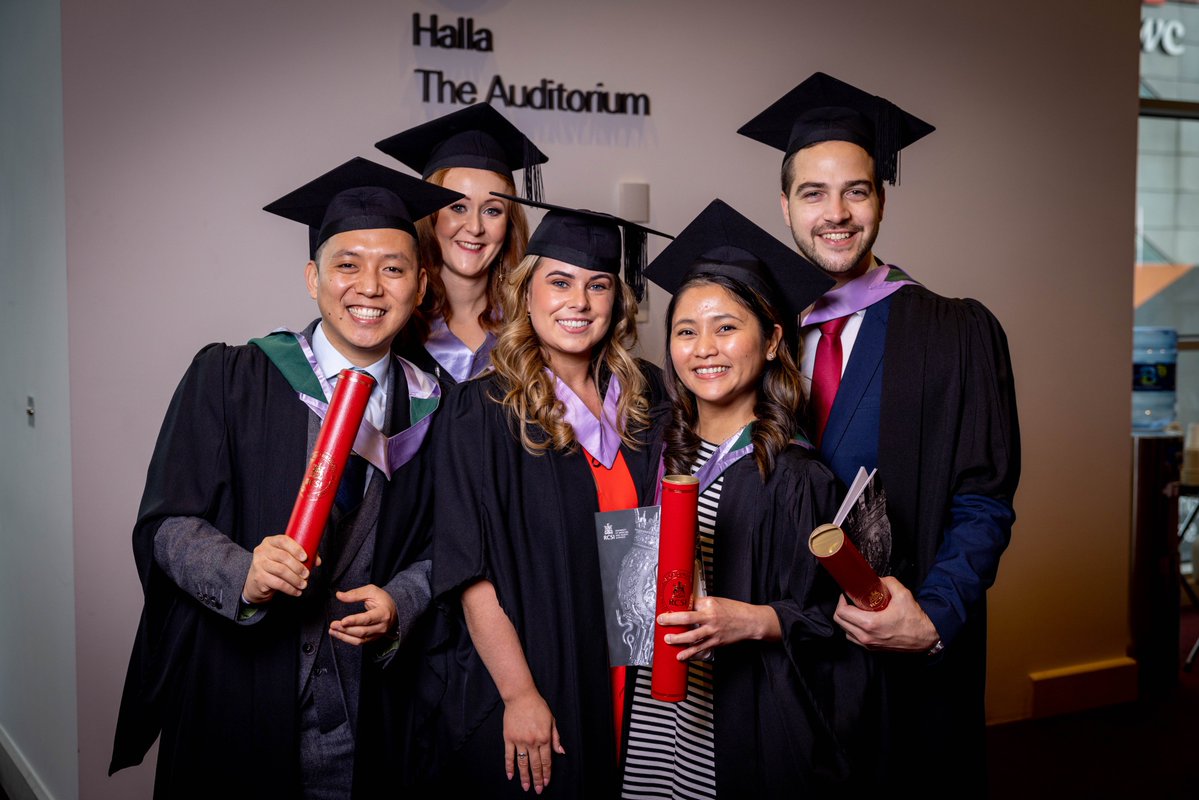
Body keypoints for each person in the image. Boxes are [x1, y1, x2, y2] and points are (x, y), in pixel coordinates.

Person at [108, 157, 463, 798]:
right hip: (237, 695)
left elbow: (457, 544)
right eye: (347, 264)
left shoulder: (443, 408)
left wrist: (402, 602)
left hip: (373, 714)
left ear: (420, 284)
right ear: (312, 277)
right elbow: (166, 524)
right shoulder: (231, 378)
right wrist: (240, 570)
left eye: (393, 267)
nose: (369, 286)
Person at [739, 72, 1021, 791]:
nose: (834, 213)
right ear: (784, 206)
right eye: (812, 193)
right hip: (780, 657)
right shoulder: (750, 334)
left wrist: (933, 618)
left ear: (880, 200)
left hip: (895, 650)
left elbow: (983, 497)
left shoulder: (953, 330)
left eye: (854, 191)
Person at [406, 195, 669, 798]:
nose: (578, 303)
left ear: (618, 300)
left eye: (598, 285)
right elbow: (468, 573)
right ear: (527, 292)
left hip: (634, 673)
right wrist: (519, 693)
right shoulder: (483, 409)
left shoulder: (645, 398)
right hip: (537, 669)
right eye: (559, 282)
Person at [621, 198, 881, 797]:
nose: (704, 346)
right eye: (686, 331)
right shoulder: (650, 454)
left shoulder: (795, 475)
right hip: (651, 723)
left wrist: (758, 620)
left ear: (769, 343)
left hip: (741, 729)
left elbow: (842, 621)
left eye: (727, 327)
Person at [375, 102, 546, 386]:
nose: (475, 227)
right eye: (457, 207)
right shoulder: (393, 322)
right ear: (430, 217)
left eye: (492, 210)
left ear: (509, 223)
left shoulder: (530, 325)